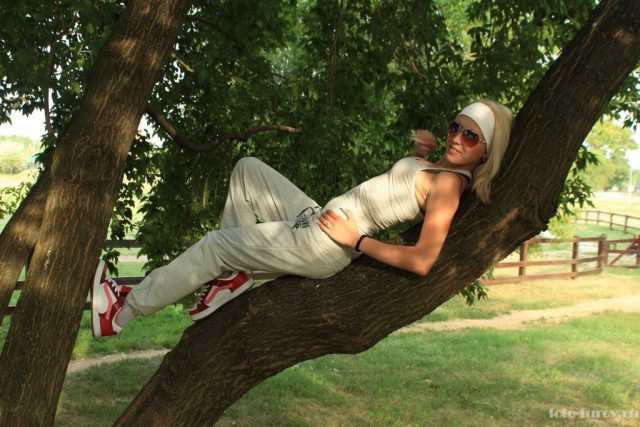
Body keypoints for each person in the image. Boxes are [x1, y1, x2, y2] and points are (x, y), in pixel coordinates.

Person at [91, 99, 513, 337]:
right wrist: (422, 154)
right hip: (316, 219)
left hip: (325, 242)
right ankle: (230, 279)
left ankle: (122, 313)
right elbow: (402, 191)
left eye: (470, 136)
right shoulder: (439, 168)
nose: (458, 138)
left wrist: (356, 239)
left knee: (217, 246)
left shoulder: (449, 186)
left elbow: (422, 260)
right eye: (455, 127)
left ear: (485, 151)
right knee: (248, 169)